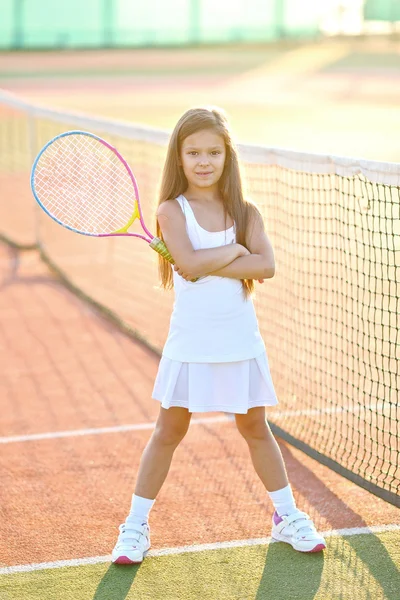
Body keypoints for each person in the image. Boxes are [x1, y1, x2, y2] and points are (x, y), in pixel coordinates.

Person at [111, 107, 326, 564]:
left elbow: (265, 266)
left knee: (255, 426)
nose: (204, 161)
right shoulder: (171, 210)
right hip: (191, 342)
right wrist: (233, 250)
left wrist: (210, 258)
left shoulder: (245, 211)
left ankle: (286, 517)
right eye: (194, 152)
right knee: (170, 428)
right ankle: (135, 525)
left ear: (227, 156)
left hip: (239, 340)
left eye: (213, 151)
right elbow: (187, 265)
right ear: (179, 157)